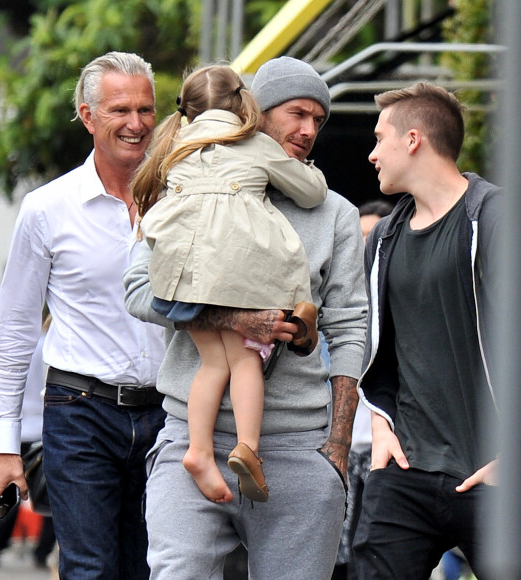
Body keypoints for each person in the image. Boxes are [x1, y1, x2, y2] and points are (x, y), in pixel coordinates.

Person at [124, 55, 367, 579]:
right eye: (298, 114)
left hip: (300, 449)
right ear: (256, 110)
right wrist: (234, 318)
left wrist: (337, 450)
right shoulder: (182, 186)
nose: (308, 130)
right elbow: (139, 292)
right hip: (192, 439)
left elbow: (349, 327)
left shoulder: (337, 215)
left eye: (318, 121)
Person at [0, 52, 166, 580]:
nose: (136, 124)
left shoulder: (183, 200)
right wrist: (4, 446)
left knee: (157, 568)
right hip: (79, 411)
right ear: (87, 116)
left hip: (169, 416)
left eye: (146, 109)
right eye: (120, 110)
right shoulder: (47, 208)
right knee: (89, 570)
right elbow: (15, 326)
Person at [132, 64, 327, 504]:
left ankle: (199, 452)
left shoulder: (174, 146)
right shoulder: (253, 143)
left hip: (179, 278)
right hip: (237, 276)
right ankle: (248, 448)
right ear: (245, 103)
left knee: (212, 365)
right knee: (243, 364)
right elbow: (311, 192)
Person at [353, 82, 501, 579]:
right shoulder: (384, 241)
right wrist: (379, 424)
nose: (372, 153)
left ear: (413, 139)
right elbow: (379, 350)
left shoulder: (496, 219)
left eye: (380, 138)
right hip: (406, 470)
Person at [332, 199, 393, 580]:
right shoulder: (334, 309)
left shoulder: (399, 305)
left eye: (373, 238)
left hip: (386, 455)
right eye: (359, 240)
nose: (364, 249)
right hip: (335, 453)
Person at [0, 314, 56, 568]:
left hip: (19, 429)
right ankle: (43, 551)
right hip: (44, 427)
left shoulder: (23, 347)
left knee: (8, 495)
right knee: (51, 495)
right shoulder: (52, 345)